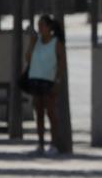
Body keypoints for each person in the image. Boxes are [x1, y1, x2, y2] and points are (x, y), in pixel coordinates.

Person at [21, 14, 67, 155]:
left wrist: (58, 81)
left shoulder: (56, 43)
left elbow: (61, 64)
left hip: (49, 81)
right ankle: (40, 143)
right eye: (38, 25)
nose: (40, 28)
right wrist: (31, 43)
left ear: (49, 27)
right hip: (36, 80)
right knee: (39, 113)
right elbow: (28, 58)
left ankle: (53, 144)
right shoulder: (37, 41)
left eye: (42, 25)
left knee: (51, 113)